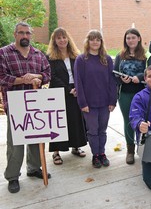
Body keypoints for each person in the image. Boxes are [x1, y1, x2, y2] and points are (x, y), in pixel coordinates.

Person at [0, 22, 51, 193]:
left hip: (36, 104)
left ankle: (34, 168)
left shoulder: (38, 54)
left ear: (31, 34)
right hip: (16, 105)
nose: (25, 36)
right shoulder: (4, 53)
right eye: (21, 33)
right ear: (15, 34)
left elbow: (47, 74)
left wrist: (37, 77)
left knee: (37, 138)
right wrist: (23, 79)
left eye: (28, 33)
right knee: (16, 143)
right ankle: (13, 176)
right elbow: (2, 77)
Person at [74, 30, 117, 168]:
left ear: (101, 42)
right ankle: (95, 155)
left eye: (98, 39)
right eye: (92, 39)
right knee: (93, 131)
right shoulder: (81, 60)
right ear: (88, 41)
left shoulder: (107, 59)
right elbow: (78, 82)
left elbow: (112, 81)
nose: (95, 42)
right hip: (89, 104)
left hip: (105, 102)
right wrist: (82, 102)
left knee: (102, 130)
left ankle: (102, 153)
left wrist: (112, 101)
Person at [46, 27, 87, 165]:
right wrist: (67, 89)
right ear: (54, 41)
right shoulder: (50, 57)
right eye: (59, 38)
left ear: (68, 39)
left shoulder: (76, 55)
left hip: (75, 91)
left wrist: (78, 88)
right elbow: (52, 76)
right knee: (58, 122)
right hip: (58, 92)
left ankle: (76, 146)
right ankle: (56, 151)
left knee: (75, 120)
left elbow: (81, 73)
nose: (62, 40)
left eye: (64, 37)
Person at [114, 28, 146, 164]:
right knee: (128, 122)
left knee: (143, 122)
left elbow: (150, 71)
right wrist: (122, 79)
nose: (130, 40)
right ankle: (130, 150)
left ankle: (142, 147)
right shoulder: (119, 56)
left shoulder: (146, 56)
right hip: (125, 94)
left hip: (142, 94)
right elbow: (114, 74)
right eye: (128, 38)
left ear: (139, 38)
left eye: (133, 37)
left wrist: (138, 77)